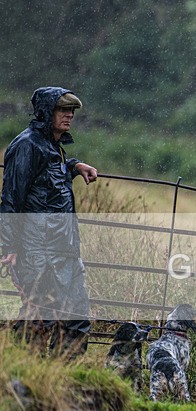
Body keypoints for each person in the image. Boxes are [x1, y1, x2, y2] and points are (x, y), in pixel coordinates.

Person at [0, 87, 98, 358]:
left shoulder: (54, 147)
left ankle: (64, 378)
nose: (69, 116)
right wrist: (9, 245)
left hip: (64, 249)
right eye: (62, 110)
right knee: (38, 317)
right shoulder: (26, 145)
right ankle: (20, 371)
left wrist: (75, 166)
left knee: (76, 319)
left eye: (71, 111)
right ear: (46, 112)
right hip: (37, 251)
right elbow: (11, 198)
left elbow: (49, 179)